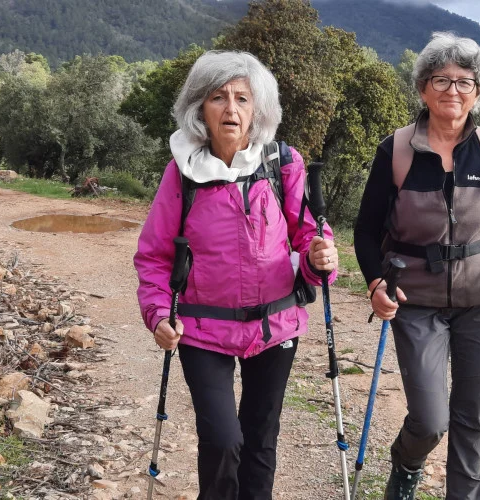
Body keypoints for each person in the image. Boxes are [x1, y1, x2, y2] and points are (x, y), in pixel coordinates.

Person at [354, 32, 480, 500]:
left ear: (478, 92)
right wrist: (375, 282)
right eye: (441, 80)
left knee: (473, 416)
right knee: (430, 420)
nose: (453, 90)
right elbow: (365, 231)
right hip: (415, 299)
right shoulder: (396, 150)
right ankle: (407, 461)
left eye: (464, 82)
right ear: (423, 88)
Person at [134, 51, 339, 499]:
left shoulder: (282, 163)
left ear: (257, 109)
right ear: (199, 108)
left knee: (261, 440)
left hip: (275, 324)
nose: (231, 109)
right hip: (201, 329)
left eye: (242, 98)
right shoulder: (182, 173)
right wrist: (158, 314)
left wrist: (319, 258)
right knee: (223, 440)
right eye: (218, 97)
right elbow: (153, 257)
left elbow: (309, 234)